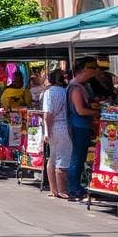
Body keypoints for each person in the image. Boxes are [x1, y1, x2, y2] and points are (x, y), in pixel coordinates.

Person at [66, 56, 100, 201]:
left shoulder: (81, 86)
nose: (95, 71)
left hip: (81, 126)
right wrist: (97, 112)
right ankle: (74, 188)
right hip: (79, 126)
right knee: (77, 157)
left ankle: (75, 186)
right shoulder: (76, 88)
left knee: (79, 157)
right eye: (92, 68)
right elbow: (80, 110)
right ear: (84, 70)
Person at [42, 69, 70, 199]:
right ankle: (62, 190)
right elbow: (48, 114)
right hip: (61, 126)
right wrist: (47, 131)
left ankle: (54, 189)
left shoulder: (50, 92)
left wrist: (47, 131)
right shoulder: (64, 92)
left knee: (53, 157)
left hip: (53, 127)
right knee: (63, 158)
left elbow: (47, 114)